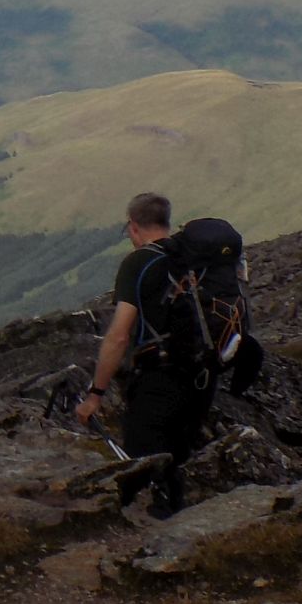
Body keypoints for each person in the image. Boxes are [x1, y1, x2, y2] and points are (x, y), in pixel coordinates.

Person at [75, 192, 216, 516]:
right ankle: (182, 535)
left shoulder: (138, 262)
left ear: (133, 227)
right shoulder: (190, 257)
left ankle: (156, 548)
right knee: (176, 463)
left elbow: (119, 335)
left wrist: (95, 395)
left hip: (159, 380)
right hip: (202, 377)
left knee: (144, 471)